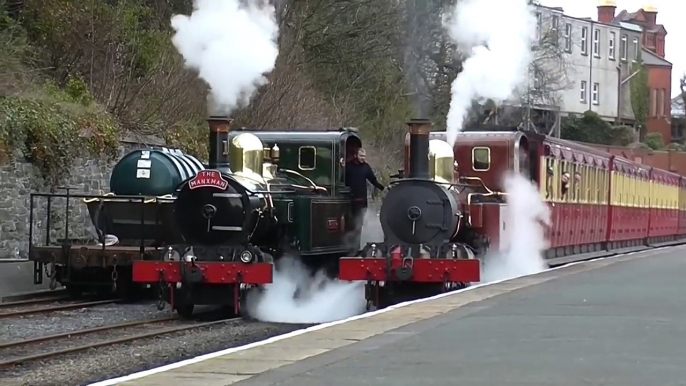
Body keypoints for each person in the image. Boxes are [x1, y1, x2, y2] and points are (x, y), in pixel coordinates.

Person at [345, 148, 385, 246]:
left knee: (359, 225)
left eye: (364, 156)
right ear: (356, 156)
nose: (363, 158)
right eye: (361, 156)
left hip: (362, 201)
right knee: (351, 225)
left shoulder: (366, 167)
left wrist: (382, 188)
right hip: (349, 200)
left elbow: (372, 179)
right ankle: (349, 245)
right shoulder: (348, 167)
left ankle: (357, 245)